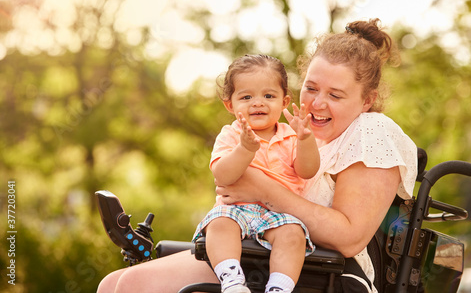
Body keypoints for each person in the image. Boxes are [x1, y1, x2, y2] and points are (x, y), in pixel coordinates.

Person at [97, 18, 417, 293]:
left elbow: (348, 238)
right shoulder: (298, 135)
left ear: (367, 100)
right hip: (255, 250)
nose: (318, 103)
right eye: (311, 88)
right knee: (112, 283)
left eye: (335, 95)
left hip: (319, 272)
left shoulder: (372, 129)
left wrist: (261, 189)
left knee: (129, 287)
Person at [192, 54, 320, 293]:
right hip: (235, 209)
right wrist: (245, 149)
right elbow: (223, 176)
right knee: (218, 222)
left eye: (269, 96)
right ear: (230, 104)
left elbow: (308, 170)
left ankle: (279, 288)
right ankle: (232, 281)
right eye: (247, 97)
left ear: (284, 101)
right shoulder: (231, 135)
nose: (258, 103)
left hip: (279, 212)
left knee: (294, 235)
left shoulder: (290, 136)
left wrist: (306, 140)